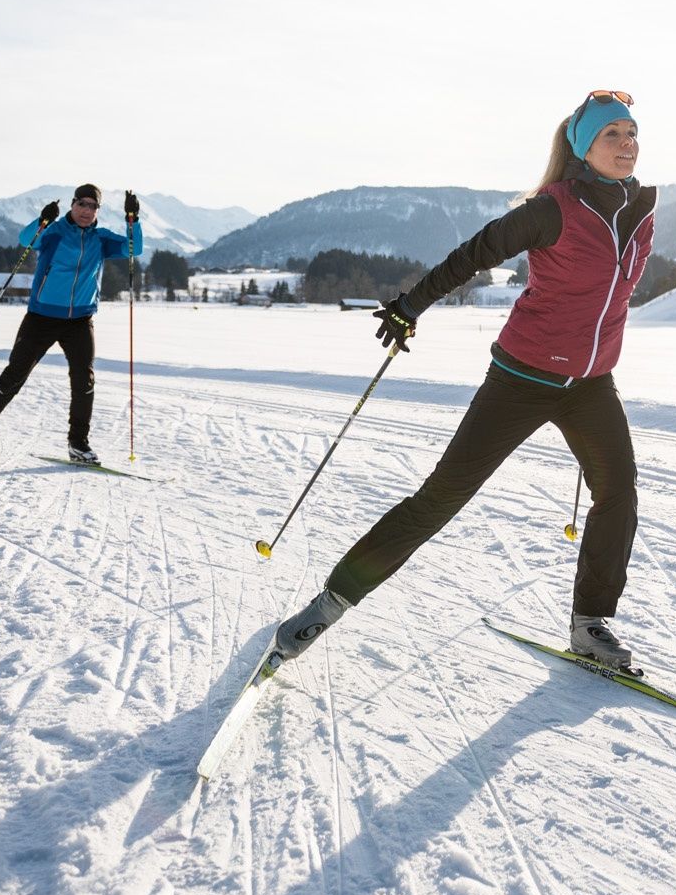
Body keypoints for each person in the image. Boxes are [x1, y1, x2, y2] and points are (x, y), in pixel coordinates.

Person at [262, 90, 655, 675]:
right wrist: (409, 305)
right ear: (583, 148)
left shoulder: (640, 210)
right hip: (522, 376)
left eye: (631, 133)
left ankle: (590, 625)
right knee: (440, 500)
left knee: (618, 493)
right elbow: (474, 253)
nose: (627, 145)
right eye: (611, 136)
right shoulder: (552, 209)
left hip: (592, 383)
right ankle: (329, 603)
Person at [0, 184, 144, 467]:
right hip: (41, 318)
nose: (87, 211)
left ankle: (78, 444)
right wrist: (42, 220)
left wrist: (132, 221)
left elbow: (133, 248)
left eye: (93, 206)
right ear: (73, 205)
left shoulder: (101, 239)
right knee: (13, 376)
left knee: (84, 382)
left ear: (98, 210)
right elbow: (28, 240)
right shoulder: (55, 233)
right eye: (82, 204)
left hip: (80, 320)